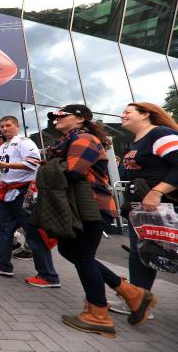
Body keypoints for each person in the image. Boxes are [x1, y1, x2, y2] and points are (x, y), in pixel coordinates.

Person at [38, 104, 157, 336]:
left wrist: (47, 168)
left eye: (61, 116)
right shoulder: (67, 142)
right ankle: (132, 294)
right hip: (78, 207)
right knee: (71, 252)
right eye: (53, 117)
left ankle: (98, 314)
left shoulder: (85, 139)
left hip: (90, 206)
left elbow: (72, 172)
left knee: (82, 257)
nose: (55, 120)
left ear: (81, 119)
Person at [109, 102, 175, 319]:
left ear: (146, 114)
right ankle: (137, 300)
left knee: (164, 254)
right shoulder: (137, 141)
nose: (122, 115)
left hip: (166, 209)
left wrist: (156, 192)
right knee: (142, 253)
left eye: (128, 112)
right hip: (143, 211)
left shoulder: (159, 134)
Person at [0, 116, 61, 288]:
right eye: (2, 126)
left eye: (8, 125)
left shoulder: (25, 142)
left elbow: (34, 163)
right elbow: (5, 169)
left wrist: (5, 166)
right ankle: (3, 265)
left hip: (24, 193)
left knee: (33, 234)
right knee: (2, 228)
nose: (4, 128)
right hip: (7, 194)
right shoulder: (2, 146)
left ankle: (48, 275)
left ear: (17, 126)